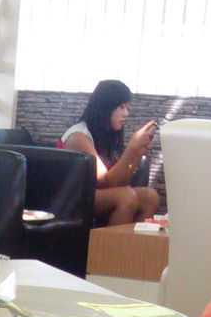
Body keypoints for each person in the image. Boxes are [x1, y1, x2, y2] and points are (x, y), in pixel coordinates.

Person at [61, 80, 161, 226]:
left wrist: (138, 153)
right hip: (72, 197)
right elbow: (105, 183)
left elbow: (121, 183)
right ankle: (114, 248)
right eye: (121, 107)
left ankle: (134, 247)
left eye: (128, 108)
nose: (126, 114)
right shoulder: (78, 136)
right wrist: (132, 148)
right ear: (105, 108)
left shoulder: (106, 135)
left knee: (150, 196)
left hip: (94, 196)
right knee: (125, 197)